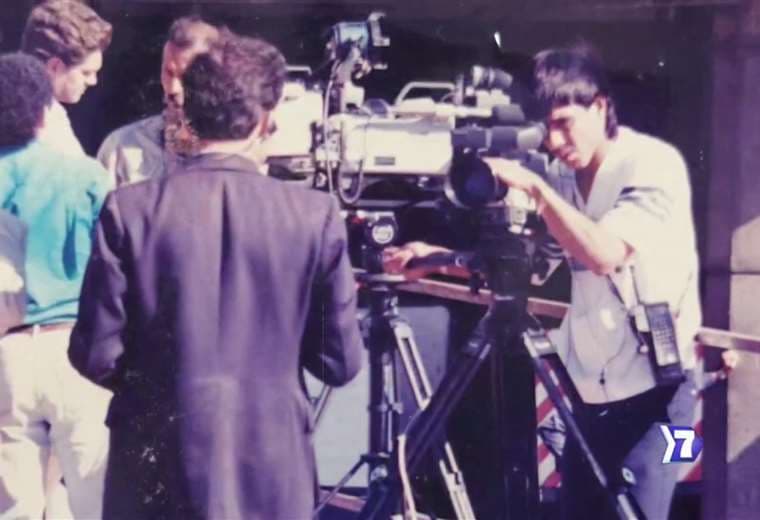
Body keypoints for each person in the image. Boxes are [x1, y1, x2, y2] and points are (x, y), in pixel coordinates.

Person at [385, 44, 701, 519]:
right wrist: (439, 259)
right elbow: (532, 264)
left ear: (600, 106)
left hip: (663, 399)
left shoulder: (652, 164)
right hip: (589, 396)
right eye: (544, 128)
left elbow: (603, 254)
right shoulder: (564, 177)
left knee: (641, 510)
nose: (554, 141)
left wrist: (535, 188)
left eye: (564, 123)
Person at [69, 34, 363, 520]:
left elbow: (95, 354)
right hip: (271, 471)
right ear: (265, 121)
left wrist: (162, 385)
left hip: (155, 464)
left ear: (187, 111)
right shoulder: (315, 216)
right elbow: (340, 362)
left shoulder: (129, 210)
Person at [0, 52, 112, 520]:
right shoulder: (87, 177)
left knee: (15, 507)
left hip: (8, 354)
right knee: (92, 498)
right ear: (45, 111)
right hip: (77, 351)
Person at [95, 15, 222, 187]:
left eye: (187, 78)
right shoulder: (120, 149)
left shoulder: (238, 153)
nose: (173, 88)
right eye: (169, 73)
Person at [21, 0, 112, 156]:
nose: (93, 81)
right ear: (54, 67)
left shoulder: (50, 113)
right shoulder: (34, 124)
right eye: (86, 72)